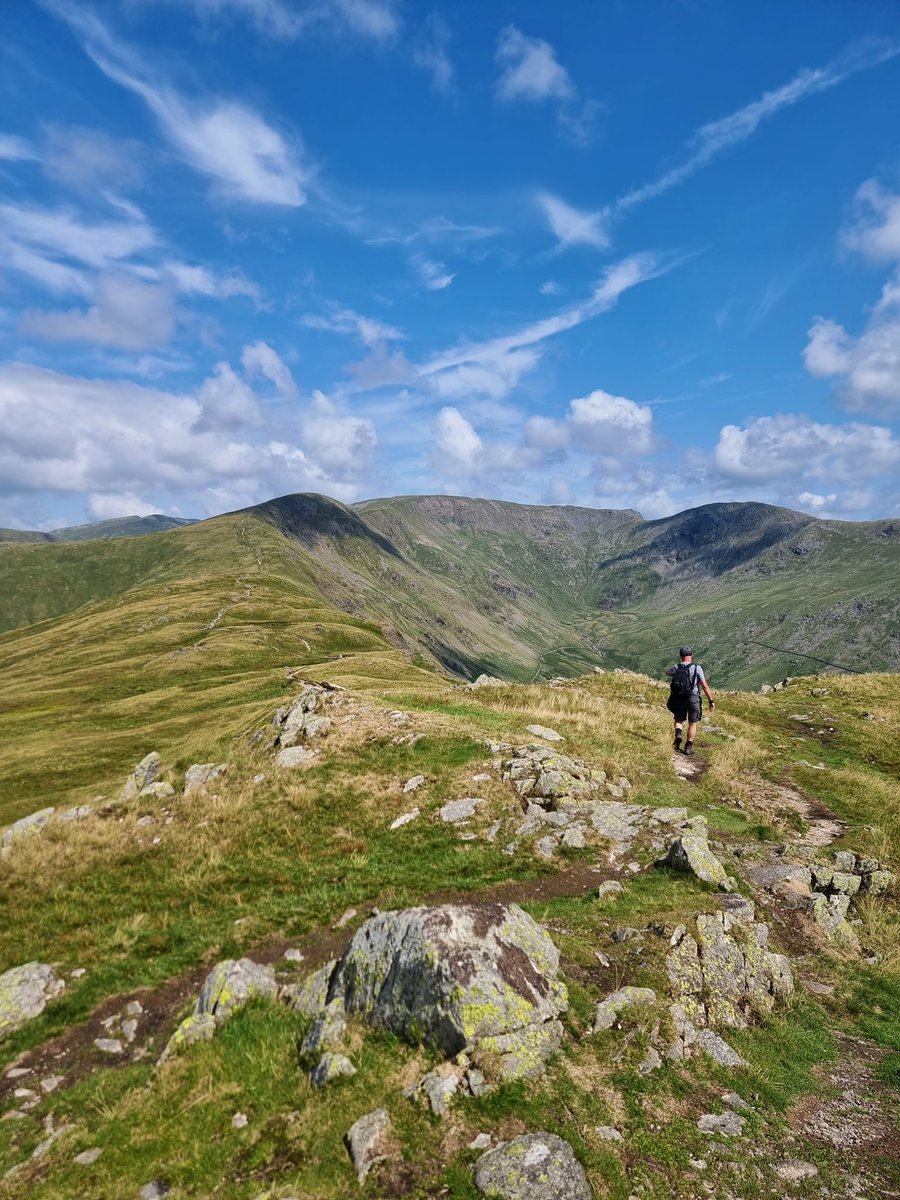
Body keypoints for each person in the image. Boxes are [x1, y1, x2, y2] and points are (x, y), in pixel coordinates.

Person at [665, 646, 714, 756]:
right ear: (691, 655)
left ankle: (678, 735)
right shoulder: (697, 668)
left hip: (679, 697)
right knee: (693, 723)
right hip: (693, 698)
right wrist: (711, 701)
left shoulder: (676, 667)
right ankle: (688, 747)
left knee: (678, 719)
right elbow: (705, 686)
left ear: (681, 656)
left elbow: (667, 673)